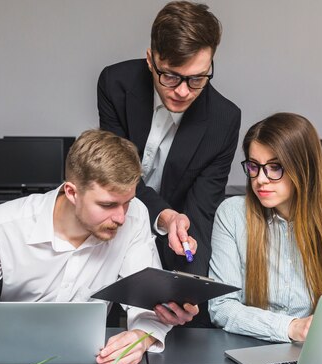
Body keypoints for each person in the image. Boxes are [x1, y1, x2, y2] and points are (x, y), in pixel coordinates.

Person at [0, 129, 198, 364]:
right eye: (107, 205)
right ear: (71, 192)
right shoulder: (0, 224)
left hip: (93, 361)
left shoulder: (135, 217)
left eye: (126, 202)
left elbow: (146, 302)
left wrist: (140, 337)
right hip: (12, 358)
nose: (121, 217)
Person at [97, 1, 241, 283]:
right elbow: (115, 176)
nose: (184, 91)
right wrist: (164, 215)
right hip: (112, 219)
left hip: (175, 240)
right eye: (171, 76)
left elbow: (200, 212)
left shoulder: (225, 120)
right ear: (151, 60)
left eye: (198, 78)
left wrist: (191, 287)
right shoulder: (115, 83)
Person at [208, 112, 322, 342]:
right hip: (249, 344)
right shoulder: (232, 214)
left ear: (303, 168)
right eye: (254, 166)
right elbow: (221, 307)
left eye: (274, 167)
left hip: (319, 345)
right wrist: (291, 328)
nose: (260, 179)